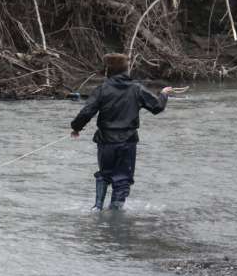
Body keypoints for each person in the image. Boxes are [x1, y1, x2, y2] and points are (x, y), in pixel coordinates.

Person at [70, 53, 176, 211]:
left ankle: (97, 207)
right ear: (125, 70)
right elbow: (157, 107)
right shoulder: (136, 88)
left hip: (105, 141)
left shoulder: (102, 89)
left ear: (107, 71)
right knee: (122, 180)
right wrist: (164, 94)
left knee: (104, 174)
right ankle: (115, 211)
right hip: (127, 142)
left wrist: (76, 128)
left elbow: (87, 112)